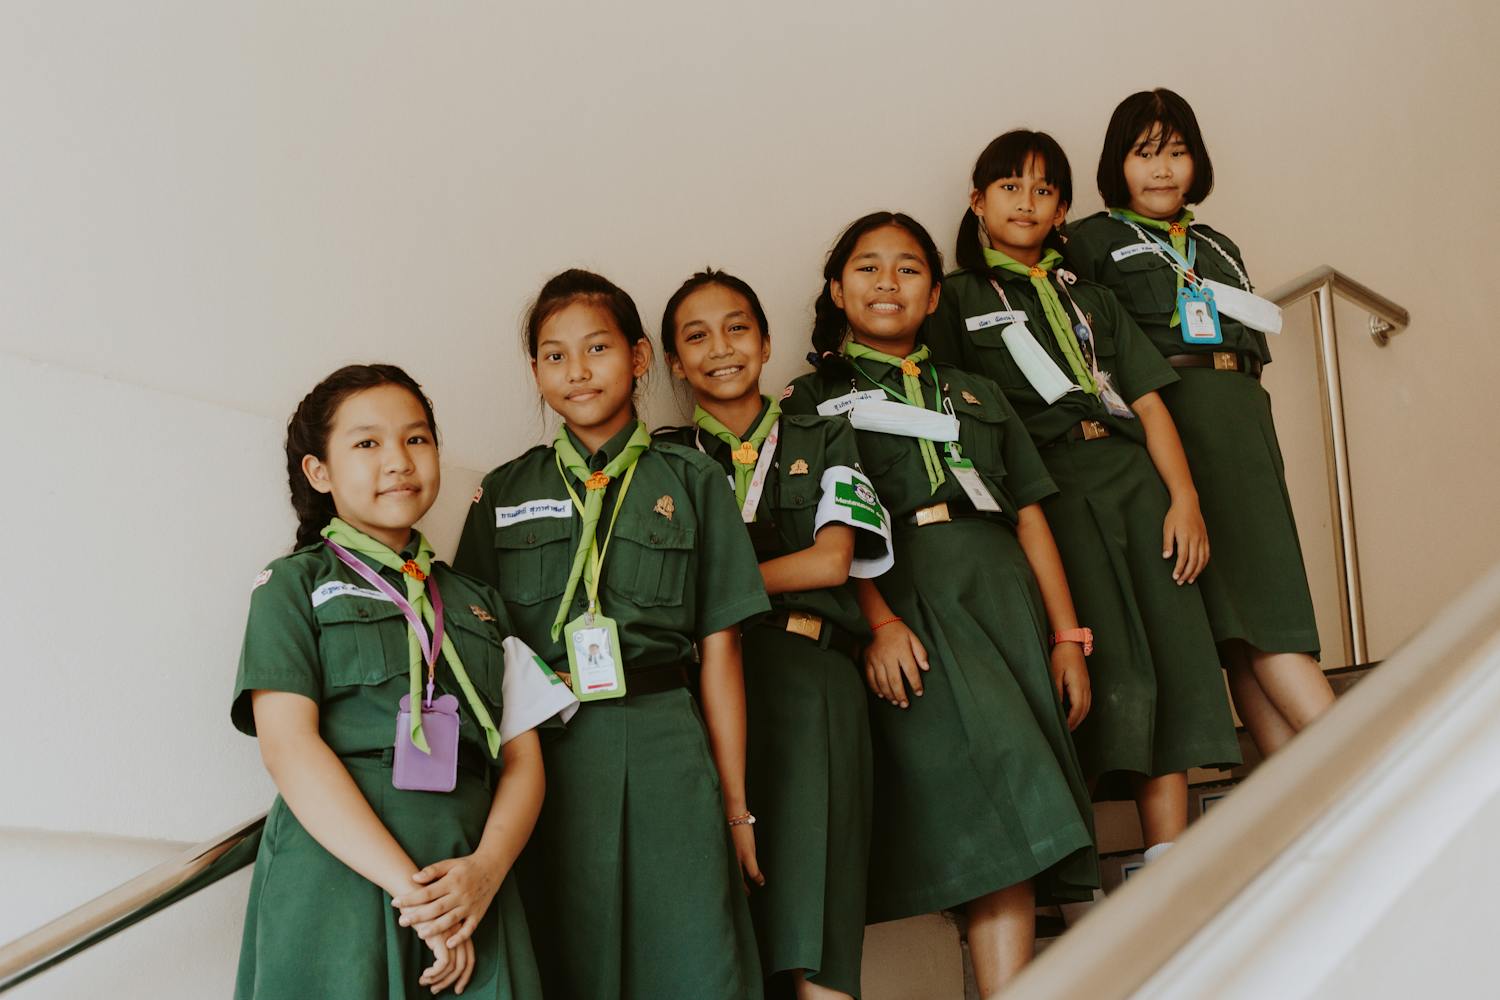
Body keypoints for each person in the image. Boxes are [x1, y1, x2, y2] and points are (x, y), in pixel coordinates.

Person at [782, 213, 1098, 995]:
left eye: (909, 269)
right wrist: (879, 624)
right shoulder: (813, 403)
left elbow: (1029, 512)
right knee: (994, 808)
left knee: (1012, 814)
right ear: (835, 289)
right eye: (867, 267)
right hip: (912, 602)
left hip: (1002, 597)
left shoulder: (978, 391)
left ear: (933, 298)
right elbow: (834, 528)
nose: (887, 282)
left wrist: (1066, 635)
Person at [454, 269, 770, 1000]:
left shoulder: (691, 480)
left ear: (636, 358)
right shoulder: (504, 491)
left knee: (691, 955)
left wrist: (736, 805)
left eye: (596, 348)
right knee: (568, 958)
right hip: (543, 759)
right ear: (535, 372)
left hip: (663, 738)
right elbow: (476, 654)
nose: (577, 371)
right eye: (555, 355)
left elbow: (722, 650)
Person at [926, 129, 1240, 862]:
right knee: (1102, 674)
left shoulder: (1089, 295)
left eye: (1043, 190)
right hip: (1052, 499)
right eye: (1010, 187)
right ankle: (1075, 878)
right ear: (977, 201)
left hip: (1134, 490)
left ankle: (1170, 863)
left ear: (1064, 208)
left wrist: (1184, 497)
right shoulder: (956, 299)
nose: (1026, 202)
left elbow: (1152, 404)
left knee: (1168, 663)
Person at [232, 364, 576, 999]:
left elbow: (524, 759)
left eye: (416, 439)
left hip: (468, 882)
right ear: (319, 472)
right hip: (341, 879)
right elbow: (288, 748)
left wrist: (485, 872)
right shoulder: (291, 586)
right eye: (367, 443)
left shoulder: (478, 602)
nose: (398, 460)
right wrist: (413, 895)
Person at [1066, 89, 1334, 756]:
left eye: (1177, 153)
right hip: (1179, 433)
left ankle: (1298, 808)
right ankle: (1372, 776)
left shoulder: (1217, 243)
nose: (1162, 170)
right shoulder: (1094, 240)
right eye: (1145, 153)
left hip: (1242, 426)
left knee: (1253, 630)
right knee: (1248, 629)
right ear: (1117, 163)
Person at [656, 269, 893, 1000]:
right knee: (729, 918)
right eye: (695, 336)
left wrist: (716, 589)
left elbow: (833, 559)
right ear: (672, 363)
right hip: (704, 699)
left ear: (764, 343)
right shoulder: (662, 459)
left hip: (809, 677)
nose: (719, 348)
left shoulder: (824, 433)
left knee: (814, 922)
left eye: (736, 329)